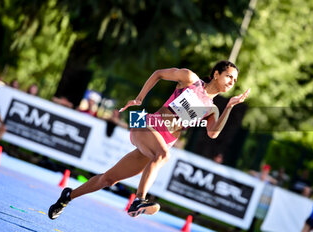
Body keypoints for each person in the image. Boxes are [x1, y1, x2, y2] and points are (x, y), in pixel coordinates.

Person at [48, 60, 250, 220]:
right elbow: (158, 74)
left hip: (160, 139)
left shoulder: (212, 109)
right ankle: (139, 200)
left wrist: (230, 106)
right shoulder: (190, 79)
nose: (232, 82)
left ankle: (68, 196)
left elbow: (213, 133)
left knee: (108, 179)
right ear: (216, 74)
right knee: (163, 155)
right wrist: (139, 99)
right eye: (229, 76)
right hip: (145, 122)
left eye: (234, 80)